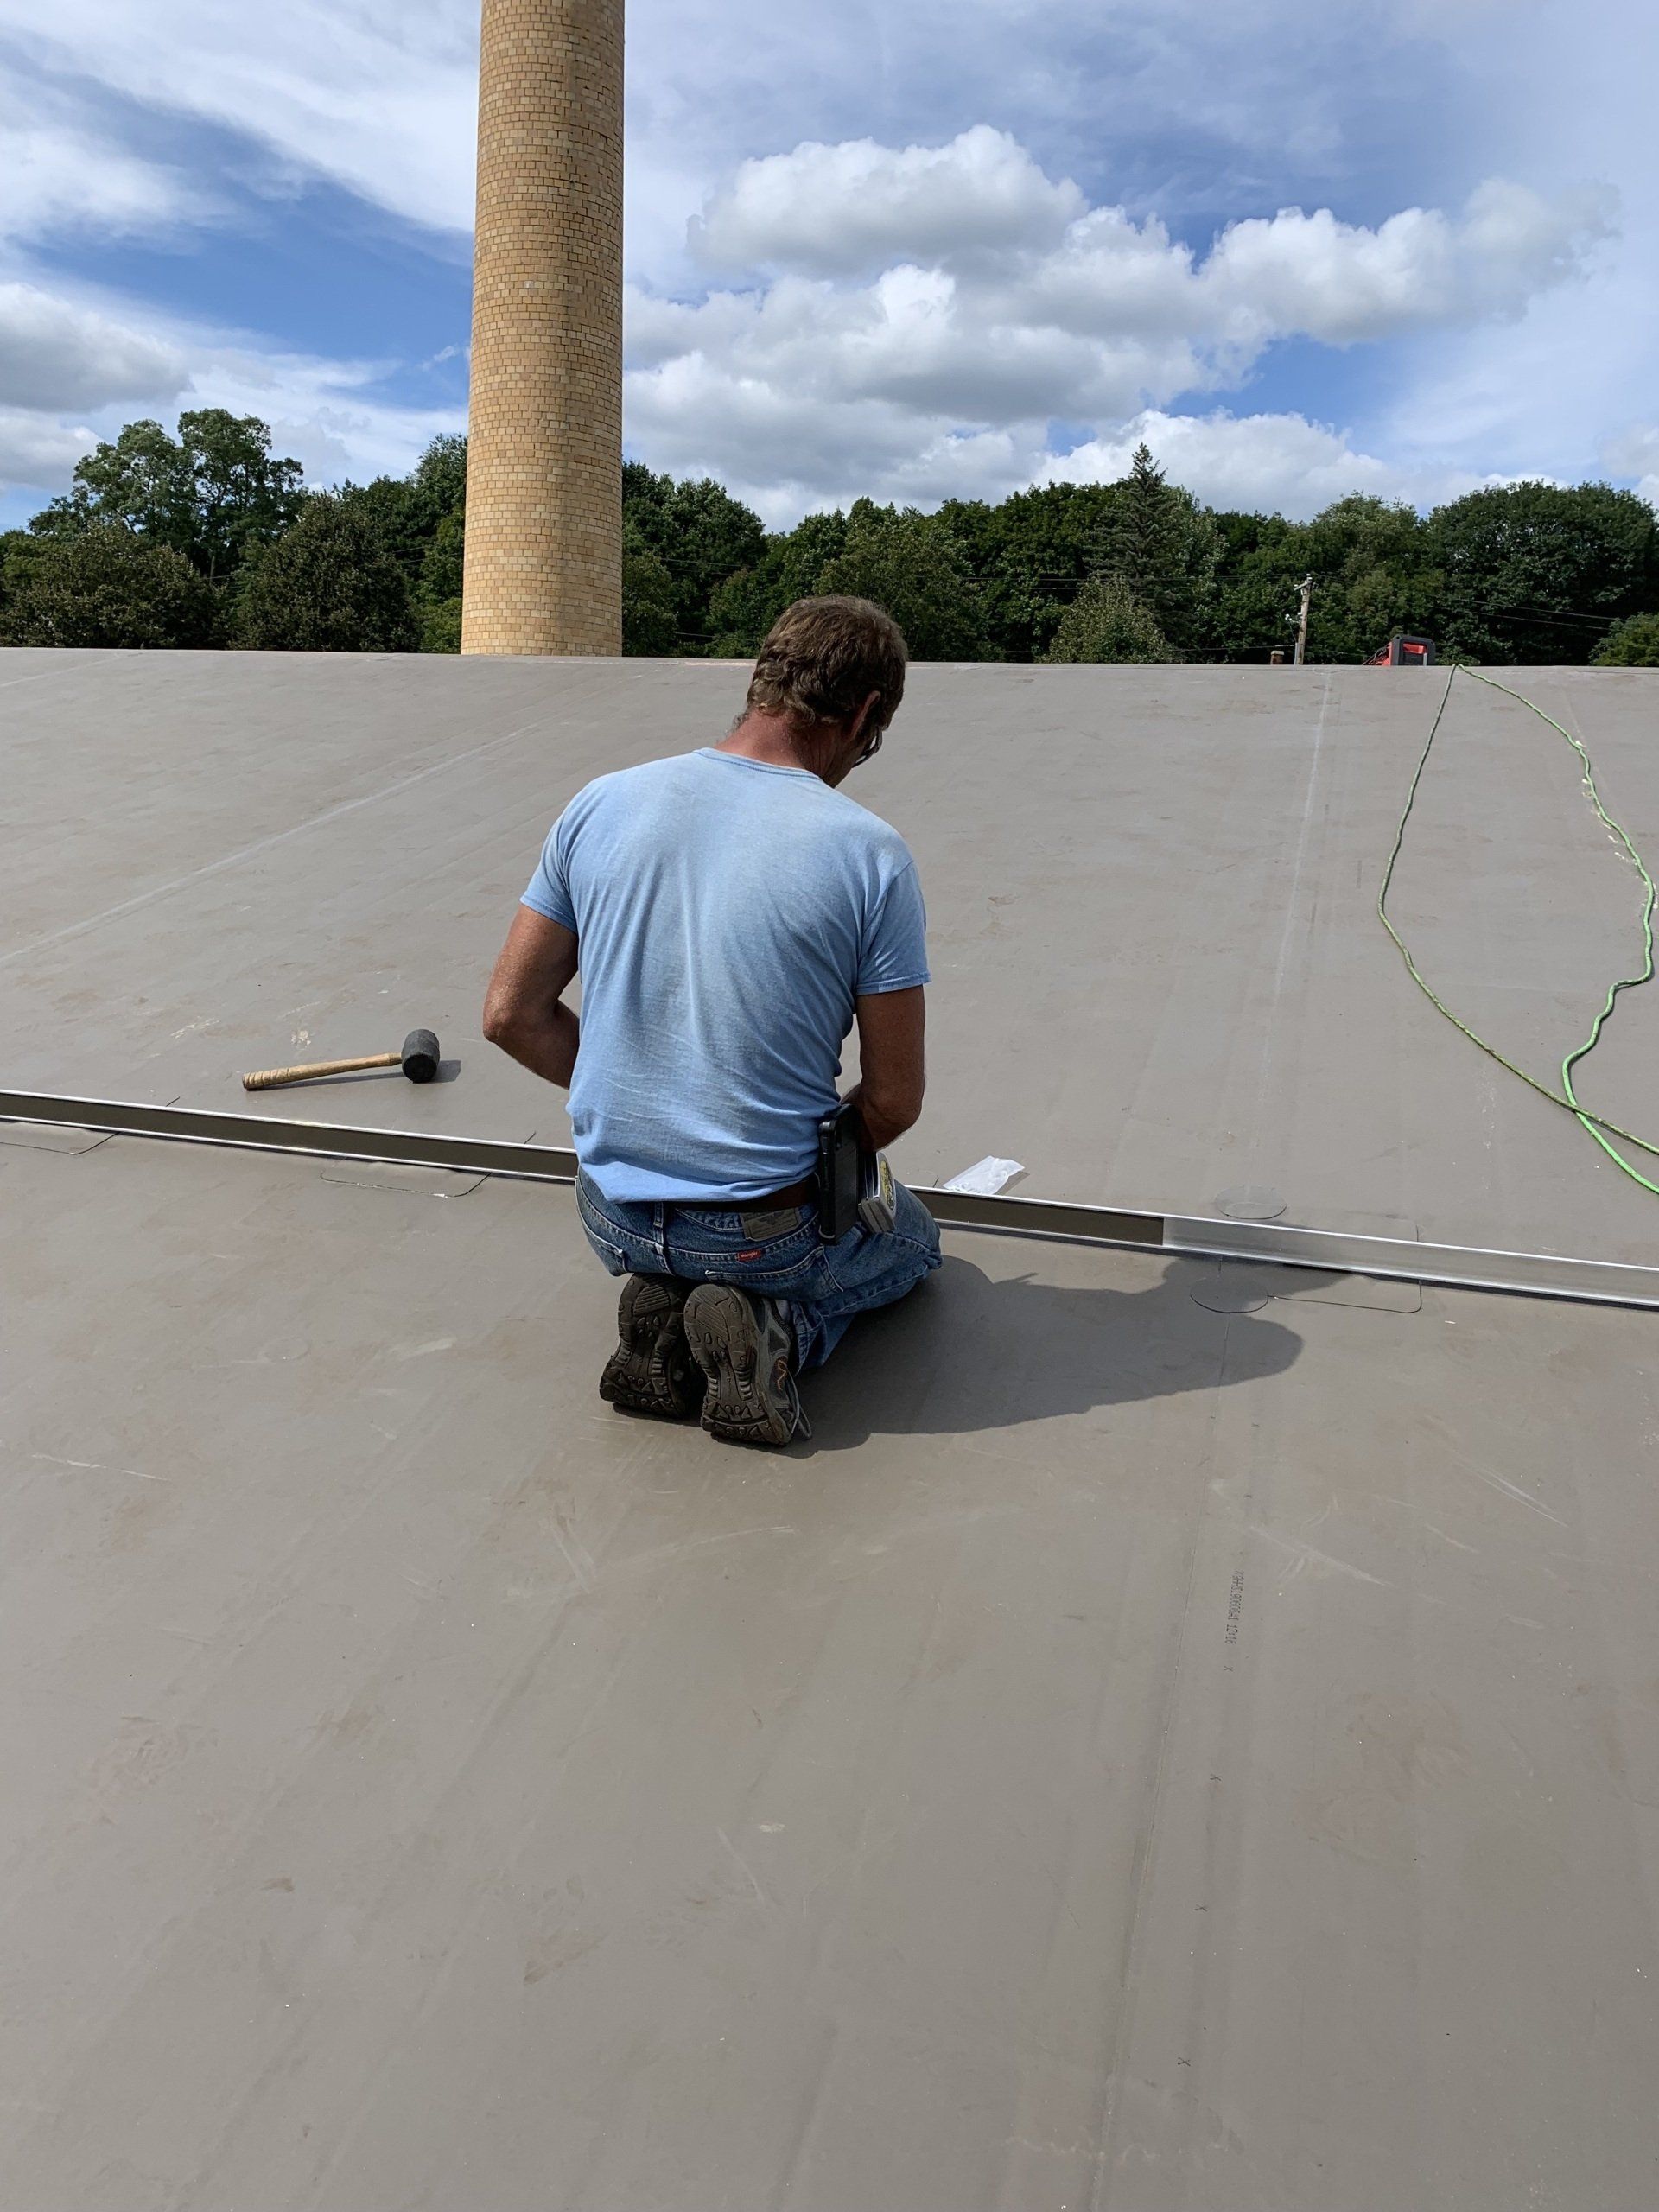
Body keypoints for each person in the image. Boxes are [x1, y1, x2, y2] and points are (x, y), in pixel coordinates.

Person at [482, 594, 943, 1448]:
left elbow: (510, 1014)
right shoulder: (868, 852)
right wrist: (807, 1156)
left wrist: (639, 1087)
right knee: (912, 1241)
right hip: (762, 1234)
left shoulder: (601, 802)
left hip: (612, 1212)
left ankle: (662, 1311)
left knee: (682, 1246)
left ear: (761, 680)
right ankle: (780, 1337)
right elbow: (894, 1100)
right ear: (866, 714)